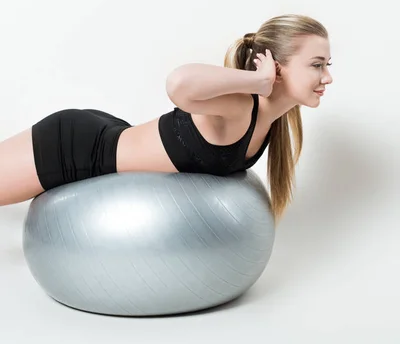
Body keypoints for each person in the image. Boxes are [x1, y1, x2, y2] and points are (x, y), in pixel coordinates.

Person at [0, 13, 333, 220]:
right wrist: (258, 81)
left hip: (111, 136)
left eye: (326, 65)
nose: (327, 77)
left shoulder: (270, 124)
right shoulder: (243, 106)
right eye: (316, 64)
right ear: (277, 67)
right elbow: (178, 84)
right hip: (79, 149)